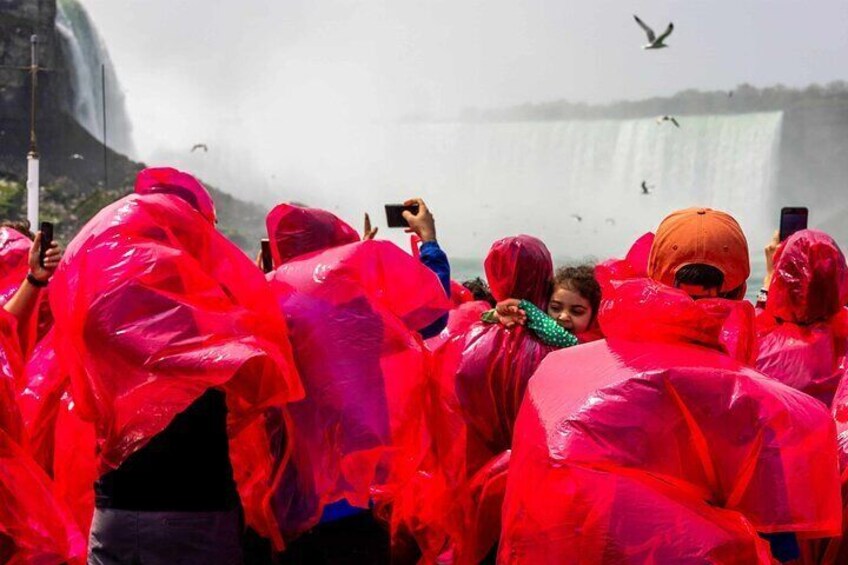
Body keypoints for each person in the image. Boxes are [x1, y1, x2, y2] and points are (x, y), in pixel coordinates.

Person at [499, 208, 841, 563]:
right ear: (740, 291)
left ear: (651, 276)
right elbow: (780, 542)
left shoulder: (557, 370)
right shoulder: (758, 403)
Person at [49, 167, 302, 564]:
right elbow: (259, 371)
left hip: (116, 508)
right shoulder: (208, 304)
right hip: (196, 511)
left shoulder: (96, 299)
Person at [755, 229, 848, 406]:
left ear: (781, 280)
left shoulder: (757, 346)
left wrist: (768, 278)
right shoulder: (842, 341)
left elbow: (756, 324)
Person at [486, 264, 603, 346]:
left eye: (576, 311)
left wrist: (525, 307)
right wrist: (499, 314)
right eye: (555, 308)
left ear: (594, 314)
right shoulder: (541, 328)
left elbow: (561, 338)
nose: (563, 316)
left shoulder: (596, 342)